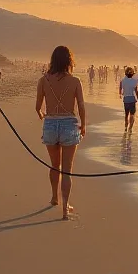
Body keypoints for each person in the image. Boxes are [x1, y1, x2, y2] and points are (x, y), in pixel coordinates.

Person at [36, 46, 86, 220]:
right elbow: (81, 105)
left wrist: (43, 115)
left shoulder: (44, 80)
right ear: (69, 61)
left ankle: (54, 197)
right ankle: (65, 208)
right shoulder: (75, 81)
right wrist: (84, 125)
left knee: (54, 165)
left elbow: (37, 107)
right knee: (67, 170)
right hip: (68, 124)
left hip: (50, 124)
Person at [119, 66, 138, 131]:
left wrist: (121, 94)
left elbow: (120, 89)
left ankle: (126, 125)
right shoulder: (134, 81)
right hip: (132, 99)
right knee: (132, 114)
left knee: (126, 114)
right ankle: (130, 127)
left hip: (126, 99)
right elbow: (136, 91)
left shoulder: (122, 81)